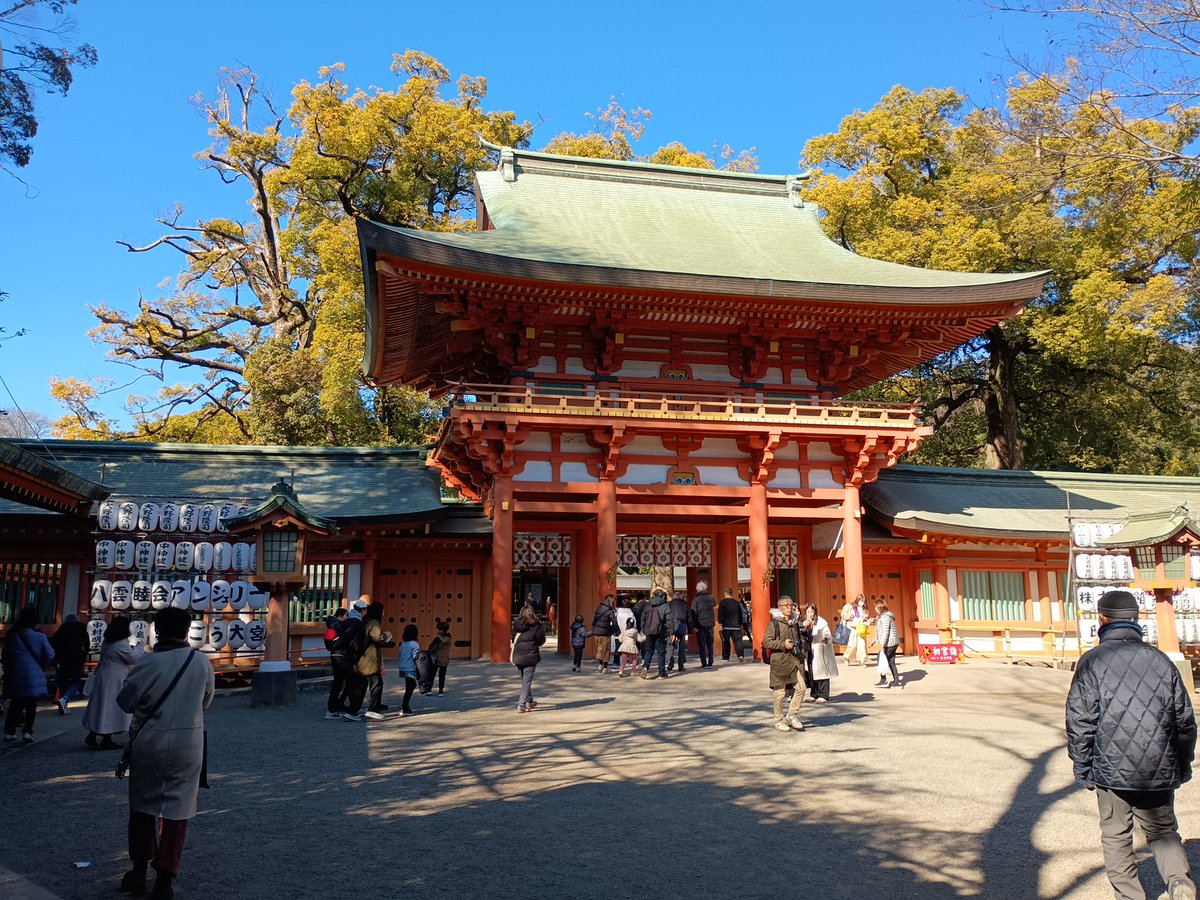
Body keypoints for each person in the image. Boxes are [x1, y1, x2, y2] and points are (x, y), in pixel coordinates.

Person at [1067, 590, 1197, 900]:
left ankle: (1130, 896)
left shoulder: (1092, 661)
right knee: (1163, 830)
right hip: (1158, 764)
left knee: (1116, 835)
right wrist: (1182, 764)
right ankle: (1179, 882)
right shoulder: (1161, 660)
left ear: (1102, 618)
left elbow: (1080, 720)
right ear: (1136, 620)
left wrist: (1082, 764)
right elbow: (1185, 721)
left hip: (1110, 768)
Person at [117, 606, 215, 900]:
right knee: (177, 814)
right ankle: (165, 878)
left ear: (157, 631)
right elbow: (206, 701)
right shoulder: (201, 663)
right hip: (188, 745)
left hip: (149, 744)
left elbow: (125, 702)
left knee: (142, 809)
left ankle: (138, 871)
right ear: (187, 631)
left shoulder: (147, 664)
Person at [82, 616, 144, 749]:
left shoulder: (108, 641)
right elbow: (133, 658)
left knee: (101, 705)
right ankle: (106, 738)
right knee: (111, 707)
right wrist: (140, 647)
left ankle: (93, 735)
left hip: (104, 675)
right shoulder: (120, 643)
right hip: (114, 678)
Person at [2, 605, 54, 744]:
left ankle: (9, 731)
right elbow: (50, 654)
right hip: (34, 674)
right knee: (31, 705)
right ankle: (27, 731)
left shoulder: (12, 636)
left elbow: (5, 655)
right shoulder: (40, 636)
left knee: (15, 703)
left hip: (16, 673)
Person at [762, 596, 805, 732]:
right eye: (787, 605)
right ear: (780, 607)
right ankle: (779, 720)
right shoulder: (774, 624)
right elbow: (766, 642)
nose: (790, 607)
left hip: (794, 660)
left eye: (791, 605)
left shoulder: (794, 622)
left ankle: (792, 714)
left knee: (801, 687)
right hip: (779, 662)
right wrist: (783, 645)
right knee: (779, 693)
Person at [355, 598, 394, 718]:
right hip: (370, 658)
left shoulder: (365, 621)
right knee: (376, 683)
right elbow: (378, 639)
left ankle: (358, 707)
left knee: (363, 684)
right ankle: (373, 709)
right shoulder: (374, 623)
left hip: (362, 657)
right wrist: (386, 636)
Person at [50, 613, 90, 714]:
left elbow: (53, 643)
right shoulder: (81, 627)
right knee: (76, 682)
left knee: (63, 682)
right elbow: (86, 642)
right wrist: (84, 652)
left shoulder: (62, 628)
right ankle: (65, 699)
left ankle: (63, 704)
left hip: (63, 659)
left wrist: (56, 658)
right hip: (77, 659)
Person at [511, 605, 546, 713]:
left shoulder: (516, 624)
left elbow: (513, 638)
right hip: (531, 656)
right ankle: (521, 705)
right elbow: (541, 641)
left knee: (525, 681)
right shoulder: (536, 625)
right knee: (527, 682)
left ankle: (529, 702)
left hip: (518, 656)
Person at [338, 599, 368, 721]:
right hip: (351, 656)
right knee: (359, 682)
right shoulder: (357, 623)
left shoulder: (348, 620)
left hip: (344, 655)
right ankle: (353, 710)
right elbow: (357, 641)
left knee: (349, 683)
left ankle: (342, 706)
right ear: (363, 610)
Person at [804, 602, 838, 703]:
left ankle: (824, 694)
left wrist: (825, 638)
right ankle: (814, 693)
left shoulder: (821, 622)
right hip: (810, 650)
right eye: (808, 611)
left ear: (815, 612)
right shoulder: (805, 622)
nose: (810, 613)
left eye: (812, 611)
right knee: (812, 672)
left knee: (822, 672)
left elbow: (826, 633)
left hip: (820, 649)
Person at [639, 589, 676, 680]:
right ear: (662, 596)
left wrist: (644, 630)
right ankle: (661, 673)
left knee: (649, 651)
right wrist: (671, 632)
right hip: (661, 632)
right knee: (661, 652)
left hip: (649, 632)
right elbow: (670, 620)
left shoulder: (648, 606)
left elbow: (643, 619)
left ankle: (645, 667)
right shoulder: (665, 606)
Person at [323, 607, 351, 720]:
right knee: (342, 683)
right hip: (340, 656)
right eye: (346, 615)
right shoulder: (339, 626)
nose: (347, 617)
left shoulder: (332, 625)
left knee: (338, 683)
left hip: (334, 655)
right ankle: (332, 709)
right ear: (340, 616)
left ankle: (336, 706)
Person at [873, 599, 902, 689]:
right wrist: (874, 640)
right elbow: (880, 631)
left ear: (879, 608)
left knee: (880, 659)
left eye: (875, 607)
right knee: (891, 661)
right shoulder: (882, 617)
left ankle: (883, 680)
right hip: (892, 642)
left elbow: (886, 632)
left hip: (890, 642)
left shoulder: (885, 617)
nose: (875, 609)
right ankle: (896, 681)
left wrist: (882, 644)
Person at [690, 581, 716, 669]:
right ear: (705, 588)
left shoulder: (696, 600)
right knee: (710, 643)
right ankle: (711, 662)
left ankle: (704, 663)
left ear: (698, 589)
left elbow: (694, 614)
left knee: (702, 644)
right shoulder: (711, 598)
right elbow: (715, 605)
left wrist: (694, 626)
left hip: (700, 624)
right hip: (710, 623)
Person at [590, 594, 618, 673]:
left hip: (597, 632)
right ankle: (604, 667)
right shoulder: (610, 610)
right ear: (611, 600)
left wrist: (595, 628)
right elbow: (614, 622)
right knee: (606, 650)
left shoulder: (597, 608)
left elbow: (593, 620)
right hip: (606, 633)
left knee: (600, 648)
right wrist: (617, 632)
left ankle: (600, 664)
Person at [396, 624, 420, 717]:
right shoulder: (415, 644)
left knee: (409, 686)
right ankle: (405, 707)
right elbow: (415, 657)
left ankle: (404, 705)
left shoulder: (403, 644)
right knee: (411, 686)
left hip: (403, 667)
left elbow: (400, 654)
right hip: (410, 668)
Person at [425, 620, 453, 695]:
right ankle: (440, 690)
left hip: (436, 659)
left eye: (438, 629)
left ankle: (429, 689)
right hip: (444, 659)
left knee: (432, 674)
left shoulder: (437, 639)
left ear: (441, 630)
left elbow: (432, 648)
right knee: (442, 675)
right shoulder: (449, 637)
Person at [718, 587, 745, 662]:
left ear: (725, 593)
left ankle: (726, 657)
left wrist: (720, 624)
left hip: (726, 626)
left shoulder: (722, 602)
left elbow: (720, 614)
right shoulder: (737, 603)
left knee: (726, 642)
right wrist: (740, 624)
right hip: (736, 625)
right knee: (738, 641)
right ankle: (740, 655)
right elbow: (740, 615)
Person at [841, 594, 868, 665]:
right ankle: (846, 657)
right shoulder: (850, 607)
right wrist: (849, 616)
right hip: (852, 627)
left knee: (861, 645)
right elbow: (843, 614)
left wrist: (865, 617)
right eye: (861, 600)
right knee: (852, 645)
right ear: (858, 600)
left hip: (860, 627)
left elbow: (866, 615)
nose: (862, 602)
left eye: (863, 601)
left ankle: (862, 660)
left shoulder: (864, 608)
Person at [668, 591, 690, 673]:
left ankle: (670, 663)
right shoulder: (685, 604)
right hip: (682, 624)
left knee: (670, 645)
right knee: (682, 646)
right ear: (680, 597)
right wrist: (690, 630)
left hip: (672, 624)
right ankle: (681, 665)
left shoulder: (669, 604)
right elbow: (689, 617)